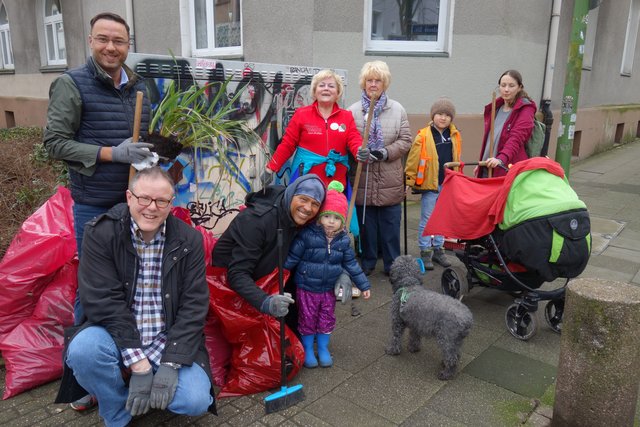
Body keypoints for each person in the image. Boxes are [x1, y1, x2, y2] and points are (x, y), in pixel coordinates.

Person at [43, 11, 155, 411]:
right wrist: (112, 153)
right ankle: (81, 381)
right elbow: (54, 143)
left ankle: (127, 362)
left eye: (119, 41)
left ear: (129, 44)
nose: (111, 47)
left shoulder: (138, 85)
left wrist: (152, 155)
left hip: (136, 203)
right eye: (103, 39)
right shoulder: (72, 84)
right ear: (91, 40)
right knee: (91, 289)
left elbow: (145, 134)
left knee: (136, 283)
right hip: (94, 204)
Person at [54, 167, 216, 426]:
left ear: (171, 204)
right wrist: (138, 365)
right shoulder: (101, 233)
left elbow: (194, 304)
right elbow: (102, 300)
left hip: (165, 338)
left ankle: (142, 388)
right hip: (115, 335)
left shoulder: (189, 240)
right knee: (84, 352)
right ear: (129, 197)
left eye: (161, 200)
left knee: (195, 399)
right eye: (144, 198)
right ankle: (118, 411)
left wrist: (172, 363)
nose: (151, 208)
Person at [212, 173, 327, 319]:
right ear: (291, 195)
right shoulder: (257, 220)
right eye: (303, 199)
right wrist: (265, 302)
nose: (308, 208)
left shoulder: (297, 216)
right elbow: (237, 274)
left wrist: (343, 273)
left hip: (269, 275)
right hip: (230, 286)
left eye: (315, 204)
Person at [284, 181, 371, 368]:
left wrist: (363, 285)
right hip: (306, 288)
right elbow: (292, 258)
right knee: (307, 319)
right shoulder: (307, 235)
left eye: (336, 218)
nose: (331, 221)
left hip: (328, 290)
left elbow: (351, 263)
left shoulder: (343, 240)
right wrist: (279, 276)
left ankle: (323, 348)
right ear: (319, 217)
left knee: (326, 318)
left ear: (342, 221)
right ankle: (308, 349)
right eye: (327, 216)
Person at [348, 61, 412, 276]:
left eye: (378, 80)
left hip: (389, 179)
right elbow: (348, 141)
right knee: (366, 227)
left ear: (385, 83)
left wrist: (385, 153)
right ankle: (367, 262)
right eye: (369, 80)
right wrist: (358, 151)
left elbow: (405, 140)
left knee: (391, 227)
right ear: (363, 83)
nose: (373, 84)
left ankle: (393, 266)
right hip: (363, 178)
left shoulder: (397, 109)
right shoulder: (353, 112)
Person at [262, 69, 367, 189]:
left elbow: (354, 139)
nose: (326, 88)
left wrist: (360, 150)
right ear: (315, 91)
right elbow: (287, 145)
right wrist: (271, 168)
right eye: (321, 85)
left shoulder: (346, 116)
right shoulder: (302, 114)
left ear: (338, 92)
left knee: (333, 208)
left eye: (331, 86)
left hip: (335, 182)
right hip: (304, 181)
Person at [405, 98, 462, 270]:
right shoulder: (424, 135)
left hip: (447, 183)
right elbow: (413, 159)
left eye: (447, 115)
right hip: (430, 183)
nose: (443, 118)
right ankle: (425, 250)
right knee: (427, 219)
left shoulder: (454, 135)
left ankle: (439, 249)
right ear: (433, 115)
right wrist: (409, 179)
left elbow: (457, 158)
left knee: (442, 219)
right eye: (439, 114)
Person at [476, 69, 536, 178]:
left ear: (520, 87)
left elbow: (516, 138)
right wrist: (482, 162)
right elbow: (491, 139)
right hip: (488, 165)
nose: (506, 89)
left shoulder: (526, 109)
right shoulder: (495, 107)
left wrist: (500, 159)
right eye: (503, 85)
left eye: (511, 85)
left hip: (507, 168)